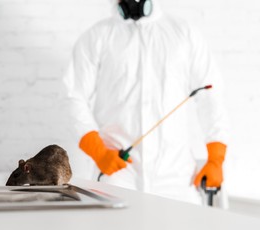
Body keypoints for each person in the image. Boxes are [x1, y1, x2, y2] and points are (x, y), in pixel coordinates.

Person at [62, 0, 229, 204]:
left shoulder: (184, 34)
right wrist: (97, 150)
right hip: (118, 176)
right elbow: (72, 96)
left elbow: (210, 94)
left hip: (177, 179)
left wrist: (216, 158)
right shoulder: (96, 37)